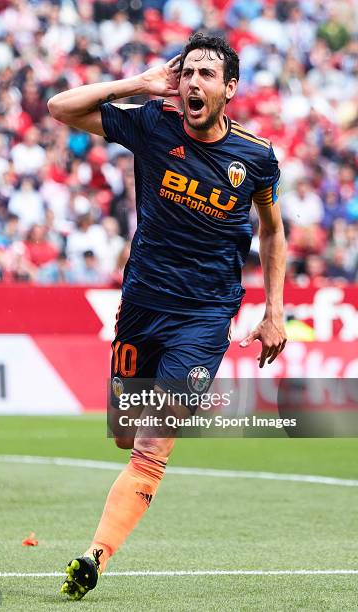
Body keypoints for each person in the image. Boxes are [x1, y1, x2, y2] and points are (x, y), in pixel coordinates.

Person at [48, 32, 287, 600]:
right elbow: (62, 107)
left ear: (230, 89)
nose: (193, 83)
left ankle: (93, 558)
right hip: (142, 308)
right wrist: (139, 83)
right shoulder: (152, 124)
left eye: (207, 74)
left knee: (152, 445)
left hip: (205, 319)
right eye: (187, 74)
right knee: (125, 432)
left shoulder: (256, 158)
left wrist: (275, 309)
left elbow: (273, 231)